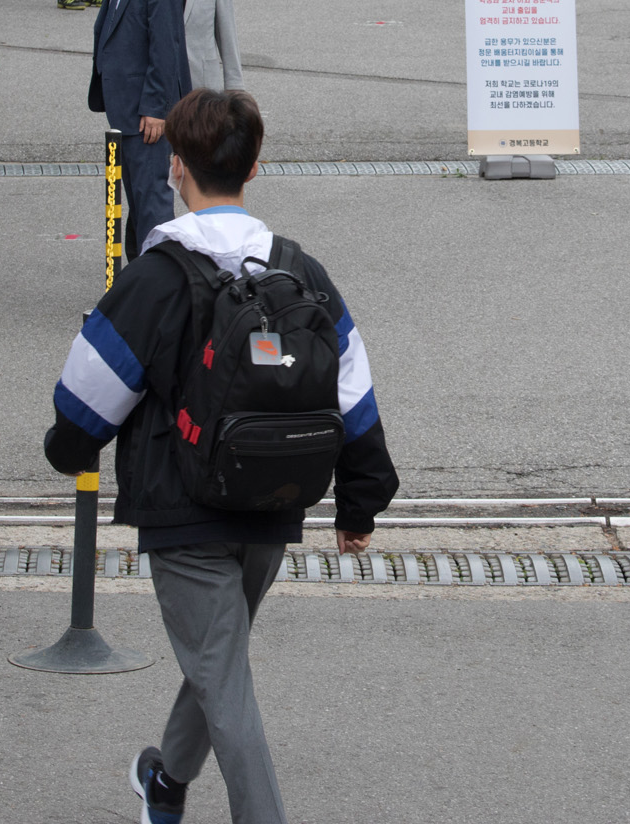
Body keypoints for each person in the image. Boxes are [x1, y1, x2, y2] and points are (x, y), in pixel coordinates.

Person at [44, 88, 399, 824]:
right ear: (255, 168)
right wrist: (358, 501)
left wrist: (68, 450)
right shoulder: (301, 271)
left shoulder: (156, 278)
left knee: (225, 681)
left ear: (176, 167)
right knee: (220, 663)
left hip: (184, 515)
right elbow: (355, 390)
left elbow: (83, 404)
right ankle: (166, 783)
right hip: (272, 506)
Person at [90, 0, 191, 260]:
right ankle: (138, 277)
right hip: (124, 108)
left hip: (146, 113)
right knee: (135, 197)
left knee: (151, 199)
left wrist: (157, 108)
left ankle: (159, 284)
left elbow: (166, 49)